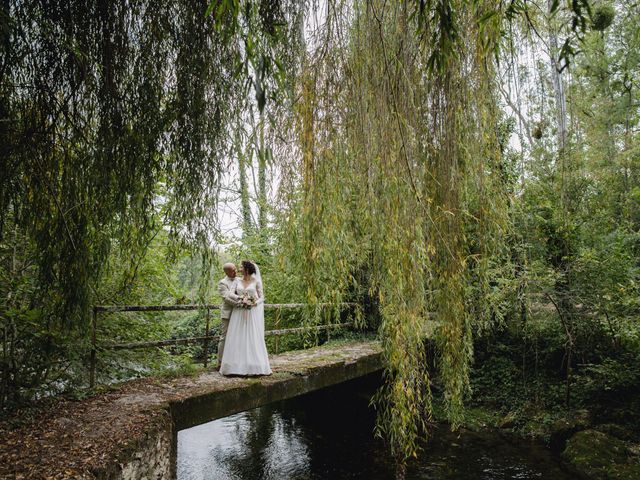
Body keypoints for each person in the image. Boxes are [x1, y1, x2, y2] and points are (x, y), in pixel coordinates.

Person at [220, 260, 272, 376]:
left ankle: (253, 365)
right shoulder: (237, 281)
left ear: (247, 269)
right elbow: (229, 294)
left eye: (241, 267)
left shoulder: (256, 281)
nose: (239, 269)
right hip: (238, 312)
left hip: (251, 312)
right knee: (237, 337)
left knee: (251, 337)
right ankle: (234, 367)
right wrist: (240, 298)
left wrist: (255, 303)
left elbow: (262, 296)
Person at [216, 262, 238, 370]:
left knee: (237, 337)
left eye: (235, 269)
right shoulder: (222, 283)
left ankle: (234, 360)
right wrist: (240, 304)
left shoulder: (239, 280)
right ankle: (220, 362)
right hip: (228, 313)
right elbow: (226, 298)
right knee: (224, 337)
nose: (235, 272)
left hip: (239, 314)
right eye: (233, 270)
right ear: (227, 272)